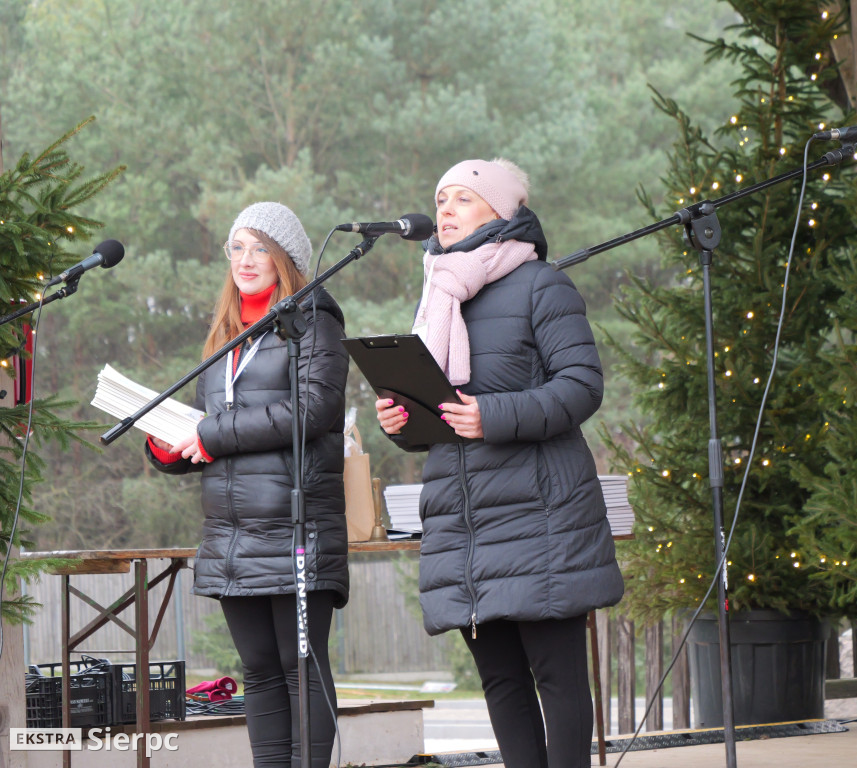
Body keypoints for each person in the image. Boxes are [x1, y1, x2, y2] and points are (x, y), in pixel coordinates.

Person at [376, 159, 624, 767]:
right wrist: (403, 424)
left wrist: (494, 415)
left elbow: (582, 387)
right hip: (465, 525)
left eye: (464, 198)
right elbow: (443, 410)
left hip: (540, 521)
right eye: (442, 200)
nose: (447, 210)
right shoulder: (439, 293)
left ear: (503, 212)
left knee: (558, 683)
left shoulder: (543, 284)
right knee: (502, 685)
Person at [146, 202, 349, 768]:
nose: (246, 260)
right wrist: (170, 445)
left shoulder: (315, 317)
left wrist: (214, 434)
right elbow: (214, 430)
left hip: (293, 522)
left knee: (300, 667)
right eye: (237, 248)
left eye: (260, 247)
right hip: (231, 532)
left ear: (286, 258)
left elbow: (315, 407)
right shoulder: (226, 334)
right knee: (258, 671)